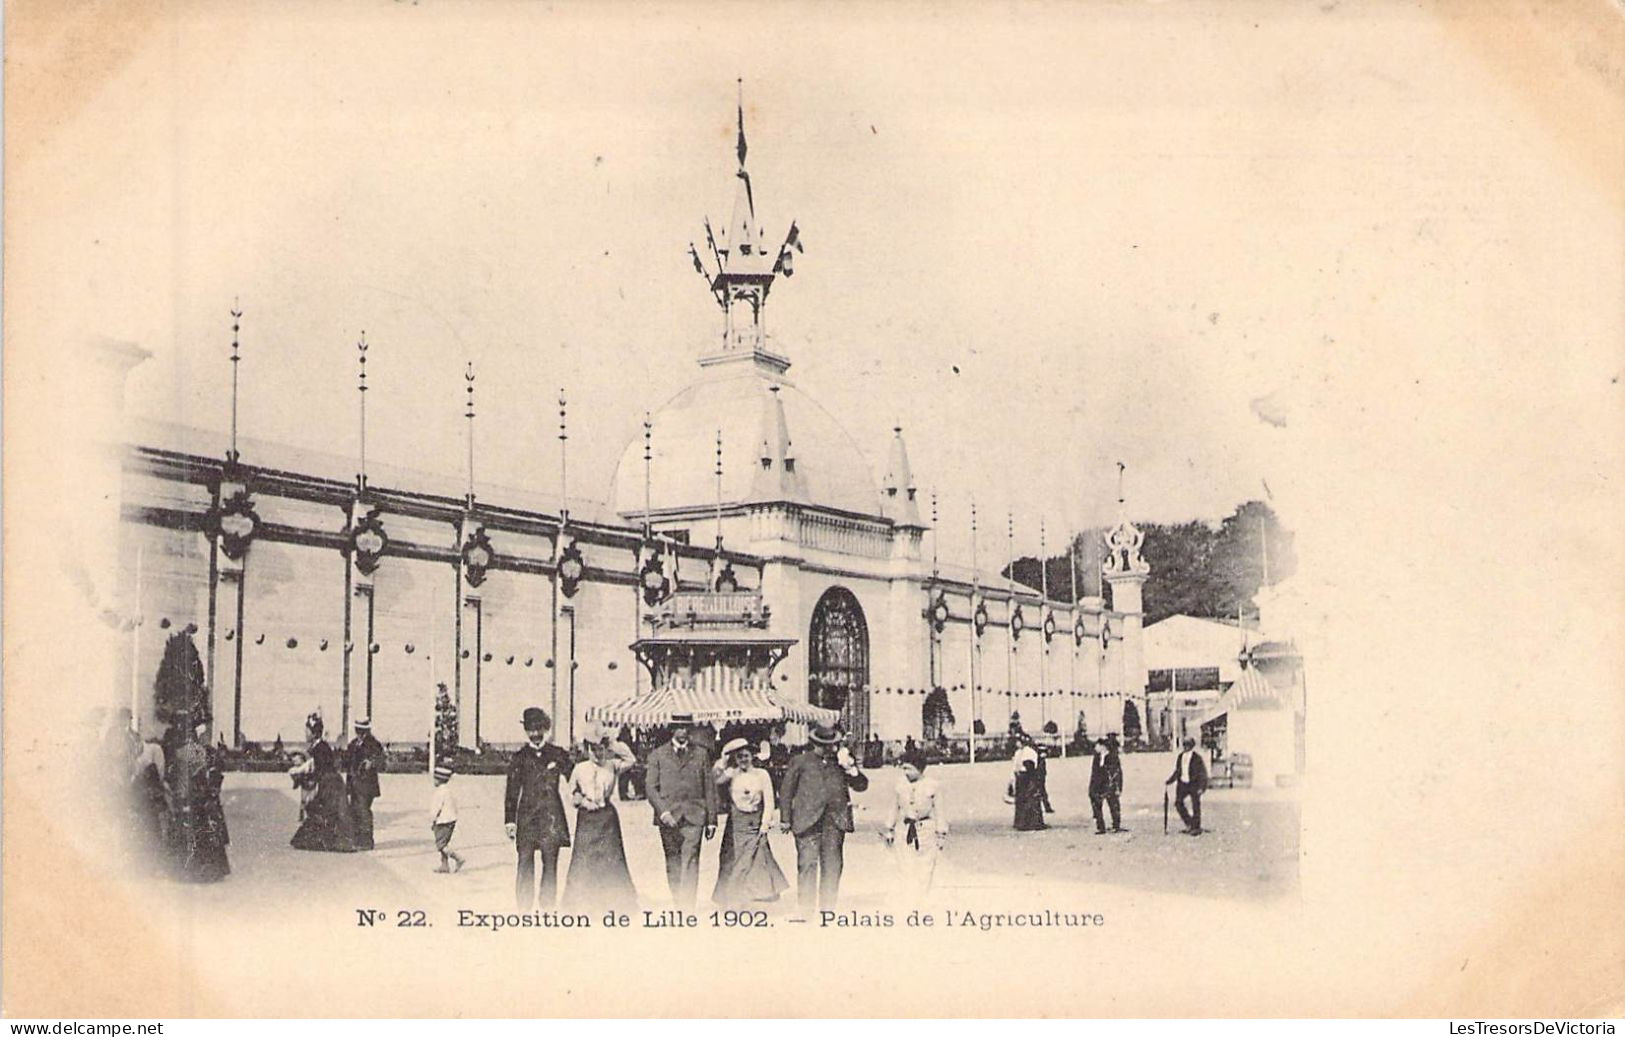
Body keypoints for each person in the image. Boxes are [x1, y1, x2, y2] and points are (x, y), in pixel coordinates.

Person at [779, 723, 869, 914]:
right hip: (806, 821)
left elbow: (861, 785)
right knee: (807, 865)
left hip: (834, 822)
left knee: (832, 866)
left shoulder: (841, 762)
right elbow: (786, 790)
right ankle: (806, 908)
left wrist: (850, 768)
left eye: (832, 744)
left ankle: (828, 908)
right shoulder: (800, 761)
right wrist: (785, 818)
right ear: (814, 743)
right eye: (824, 745)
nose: (829, 748)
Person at [562, 728, 639, 912]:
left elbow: (631, 759)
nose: (598, 753)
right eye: (594, 749)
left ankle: (612, 903)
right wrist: (581, 802)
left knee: (611, 860)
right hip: (587, 818)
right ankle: (583, 904)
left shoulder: (612, 765)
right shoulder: (580, 769)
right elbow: (570, 792)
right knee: (584, 860)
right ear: (588, 749)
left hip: (607, 818)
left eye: (601, 749)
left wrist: (612, 743)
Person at [505, 707, 574, 909]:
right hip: (526, 819)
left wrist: (583, 795)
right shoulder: (519, 757)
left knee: (550, 863)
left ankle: (547, 908)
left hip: (551, 817)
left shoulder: (558, 754)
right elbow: (511, 791)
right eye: (530, 730)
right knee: (525, 862)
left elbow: (575, 777)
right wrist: (509, 821)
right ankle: (524, 909)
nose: (534, 734)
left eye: (538, 729)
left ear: (545, 728)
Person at [643, 720, 718, 910]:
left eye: (686, 728)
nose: (683, 732)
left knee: (691, 859)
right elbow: (650, 788)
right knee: (672, 860)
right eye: (679, 728)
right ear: (671, 730)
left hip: (695, 816)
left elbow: (709, 787)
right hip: (669, 818)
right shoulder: (658, 755)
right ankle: (678, 900)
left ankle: (688, 906)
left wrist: (711, 820)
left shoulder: (701, 754)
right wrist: (663, 812)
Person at [711, 737, 788, 907]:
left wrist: (765, 824)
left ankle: (756, 893)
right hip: (737, 822)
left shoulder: (762, 775)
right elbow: (715, 780)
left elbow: (769, 801)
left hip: (755, 821)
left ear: (752, 756)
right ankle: (734, 896)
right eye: (739, 757)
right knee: (735, 859)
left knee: (756, 858)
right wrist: (724, 760)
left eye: (746, 756)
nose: (743, 760)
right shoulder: (732, 773)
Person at [165, 709, 231, 881]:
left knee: (187, 828)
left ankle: (187, 869)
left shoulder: (182, 751)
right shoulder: (200, 750)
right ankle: (211, 868)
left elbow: (180, 777)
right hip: (202, 796)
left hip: (189, 794)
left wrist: (177, 795)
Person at [883, 748, 947, 904]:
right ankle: (909, 897)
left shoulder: (933, 786)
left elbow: (940, 811)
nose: (905, 772)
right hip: (904, 831)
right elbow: (894, 808)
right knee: (905, 865)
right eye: (903, 768)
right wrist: (889, 829)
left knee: (926, 866)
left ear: (919, 768)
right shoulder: (899, 786)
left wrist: (941, 834)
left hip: (926, 831)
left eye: (909, 768)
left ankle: (922, 897)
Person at [290, 712, 358, 852]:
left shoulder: (320, 747)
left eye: (307, 730)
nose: (305, 733)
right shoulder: (319, 746)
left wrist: (299, 773)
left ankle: (333, 842)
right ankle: (327, 841)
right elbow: (313, 765)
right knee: (324, 812)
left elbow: (315, 767)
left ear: (313, 732)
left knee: (327, 812)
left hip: (331, 785)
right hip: (328, 783)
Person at [345, 717, 386, 850]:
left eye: (362, 731)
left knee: (363, 811)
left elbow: (381, 761)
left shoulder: (373, 744)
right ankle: (356, 839)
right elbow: (347, 763)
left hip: (366, 785)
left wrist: (371, 763)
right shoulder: (353, 744)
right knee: (354, 810)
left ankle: (367, 841)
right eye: (358, 730)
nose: (360, 733)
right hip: (354, 784)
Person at [1166, 736, 1210, 835]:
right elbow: (1178, 771)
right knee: (1178, 803)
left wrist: (1202, 787)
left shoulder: (1197, 758)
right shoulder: (1180, 756)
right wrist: (1170, 780)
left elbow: (1203, 773)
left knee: (1196, 806)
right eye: (1184, 744)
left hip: (1194, 784)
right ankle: (1189, 823)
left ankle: (1196, 827)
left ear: (1192, 746)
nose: (1186, 747)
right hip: (1182, 784)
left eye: (1188, 745)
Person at [428, 764, 464, 873]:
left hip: (442, 821)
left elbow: (436, 808)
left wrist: (432, 819)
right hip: (451, 820)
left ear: (439, 780)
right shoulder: (448, 791)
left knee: (441, 845)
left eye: (435, 778)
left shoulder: (440, 792)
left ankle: (458, 858)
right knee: (444, 843)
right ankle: (444, 865)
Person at [1089, 732, 1125, 834]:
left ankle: (1116, 825)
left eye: (1097, 746)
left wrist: (1118, 787)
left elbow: (1117, 773)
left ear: (1103, 747)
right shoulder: (1096, 757)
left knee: (1113, 805)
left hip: (1110, 785)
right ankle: (1101, 827)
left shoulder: (1113, 757)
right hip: (1097, 786)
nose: (1095, 748)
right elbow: (1094, 773)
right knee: (1097, 806)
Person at [1010, 737, 1047, 831]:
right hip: (1022, 777)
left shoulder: (1028, 752)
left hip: (1027, 777)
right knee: (1023, 800)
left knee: (1029, 800)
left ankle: (1031, 823)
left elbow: (1029, 766)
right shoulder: (1019, 752)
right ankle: (1022, 822)